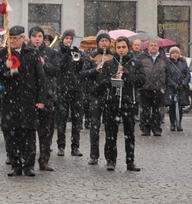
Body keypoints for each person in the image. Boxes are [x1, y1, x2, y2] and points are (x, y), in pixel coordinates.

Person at [0, 25, 45, 177]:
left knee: (28, 133)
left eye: (16, 39)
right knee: (11, 134)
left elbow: (40, 78)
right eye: (11, 39)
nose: (13, 42)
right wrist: (6, 69)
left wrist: (41, 98)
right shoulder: (4, 53)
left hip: (28, 99)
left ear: (23, 38)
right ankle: (15, 165)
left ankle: (28, 165)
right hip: (10, 99)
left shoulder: (32, 53)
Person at [99, 36, 145, 172]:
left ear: (128, 47)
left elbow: (141, 80)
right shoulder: (109, 63)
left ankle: (130, 161)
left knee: (129, 134)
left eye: (123, 47)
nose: (121, 50)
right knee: (110, 134)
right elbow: (101, 82)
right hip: (112, 103)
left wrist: (127, 74)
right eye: (118, 47)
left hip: (129, 103)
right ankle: (111, 161)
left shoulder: (135, 63)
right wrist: (113, 77)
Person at [27, 25, 60, 171]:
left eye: (39, 36)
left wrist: (44, 64)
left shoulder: (51, 52)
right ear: (30, 38)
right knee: (27, 130)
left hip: (47, 96)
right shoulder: (25, 51)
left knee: (46, 131)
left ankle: (44, 160)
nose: (37, 39)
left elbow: (57, 70)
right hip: (29, 96)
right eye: (34, 36)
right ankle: (27, 160)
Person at [81, 33, 114, 165]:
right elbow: (84, 73)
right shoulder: (91, 56)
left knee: (110, 128)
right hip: (94, 94)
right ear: (98, 43)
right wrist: (96, 69)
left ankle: (109, 156)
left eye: (106, 41)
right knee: (94, 128)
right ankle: (94, 155)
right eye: (102, 41)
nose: (104, 43)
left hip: (109, 95)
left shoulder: (113, 56)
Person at [56, 29, 85, 157]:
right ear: (63, 40)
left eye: (71, 38)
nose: (68, 41)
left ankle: (75, 147)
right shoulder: (58, 52)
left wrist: (78, 56)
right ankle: (61, 146)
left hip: (76, 89)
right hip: (62, 89)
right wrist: (67, 54)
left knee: (76, 120)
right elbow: (58, 67)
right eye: (66, 38)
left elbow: (81, 69)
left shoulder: (79, 53)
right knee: (61, 120)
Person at [137, 39, 168, 136]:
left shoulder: (164, 58)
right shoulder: (141, 57)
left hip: (159, 89)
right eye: (152, 45)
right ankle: (145, 128)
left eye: (155, 45)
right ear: (148, 47)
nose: (153, 47)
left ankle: (156, 128)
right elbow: (137, 72)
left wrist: (164, 84)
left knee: (157, 111)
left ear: (158, 47)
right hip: (145, 88)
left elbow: (168, 73)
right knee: (145, 110)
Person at [165, 47, 190, 131]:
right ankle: (172, 123)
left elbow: (187, 74)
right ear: (171, 54)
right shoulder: (167, 63)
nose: (175, 54)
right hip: (171, 88)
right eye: (173, 53)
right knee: (172, 106)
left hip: (182, 87)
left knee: (180, 106)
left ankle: (179, 123)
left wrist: (183, 83)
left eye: (176, 53)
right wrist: (173, 84)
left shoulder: (183, 62)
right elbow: (167, 76)